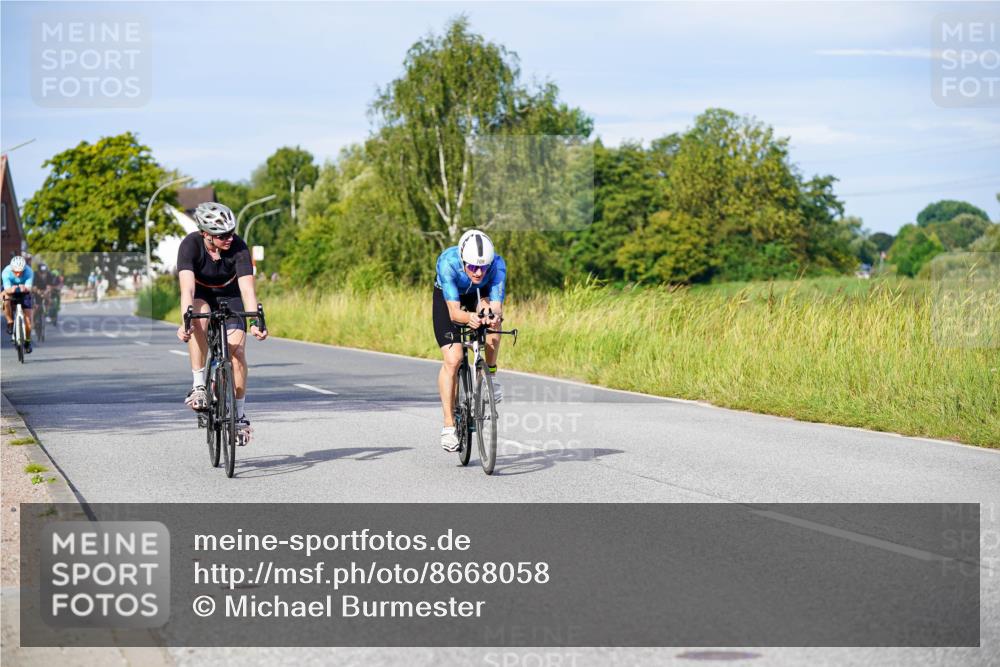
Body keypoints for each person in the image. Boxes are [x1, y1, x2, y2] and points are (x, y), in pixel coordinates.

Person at [176, 202, 268, 445]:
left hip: (231, 298)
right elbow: (187, 289)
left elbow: (247, 290)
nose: (229, 238)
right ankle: (199, 386)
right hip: (202, 297)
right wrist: (185, 321)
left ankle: (239, 416)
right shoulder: (190, 246)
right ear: (205, 234)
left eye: (231, 232)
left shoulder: (238, 247)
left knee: (237, 354)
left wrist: (255, 320)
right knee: (198, 316)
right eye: (222, 235)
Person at [433, 229, 506, 451]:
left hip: (479, 296)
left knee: (494, 326)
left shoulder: (497, 266)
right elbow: (455, 313)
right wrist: (469, 318)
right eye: (473, 267)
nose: (477, 272)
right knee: (454, 360)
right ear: (463, 260)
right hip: (450, 299)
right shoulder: (448, 262)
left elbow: (496, 306)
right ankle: (448, 425)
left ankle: (490, 375)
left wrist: (492, 317)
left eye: (483, 267)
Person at [2, 255, 34, 353]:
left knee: (28, 321)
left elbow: (29, 288)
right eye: (16, 272)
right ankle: (10, 321)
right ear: (12, 269)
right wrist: (13, 289)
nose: (19, 274)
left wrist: (25, 288)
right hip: (10, 290)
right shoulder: (6, 272)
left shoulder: (29, 272)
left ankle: (28, 341)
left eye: (21, 271)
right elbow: (7, 289)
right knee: (5, 300)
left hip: (24, 292)